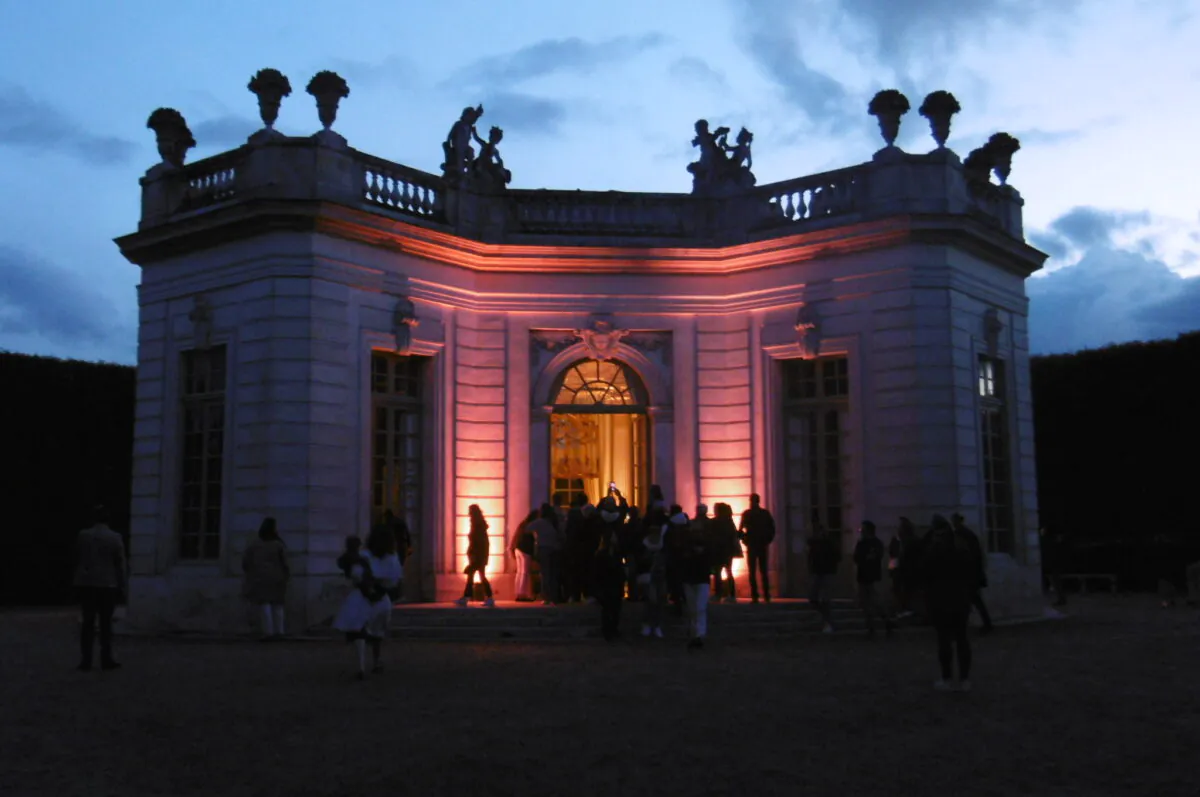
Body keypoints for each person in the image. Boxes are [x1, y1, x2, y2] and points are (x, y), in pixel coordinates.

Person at [923, 514, 984, 692]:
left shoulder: (934, 548)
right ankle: (964, 679)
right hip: (961, 598)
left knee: (944, 640)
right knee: (961, 638)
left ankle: (947, 678)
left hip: (941, 599)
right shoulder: (961, 545)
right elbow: (972, 570)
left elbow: (926, 574)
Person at [332, 534, 396, 680]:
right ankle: (371, 663)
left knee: (358, 632)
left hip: (359, 596)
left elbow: (356, 576)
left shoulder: (353, 559)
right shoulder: (362, 559)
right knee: (370, 632)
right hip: (367, 595)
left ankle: (362, 665)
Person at [74, 505, 127, 671]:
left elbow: (77, 558)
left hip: (87, 583)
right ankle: (106, 658)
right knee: (106, 624)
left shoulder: (83, 535)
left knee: (87, 623)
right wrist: (123, 585)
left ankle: (86, 660)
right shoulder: (115, 537)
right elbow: (120, 564)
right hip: (107, 584)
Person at [241, 516, 290, 640]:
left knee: (265, 604)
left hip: (260, 577)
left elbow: (246, 562)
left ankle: (268, 631)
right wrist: (286, 574)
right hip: (277, 577)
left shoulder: (254, 544)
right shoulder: (278, 544)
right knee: (278, 604)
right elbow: (285, 562)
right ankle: (280, 631)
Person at [952, 513, 993, 634]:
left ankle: (983, 624)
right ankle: (985, 624)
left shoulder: (964, 536)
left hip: (968, 574)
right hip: (969, 574)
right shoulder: (965, 535)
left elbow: (970, 556)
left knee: (968, 601)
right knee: (971, 601)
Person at [853, 520, 894, 637]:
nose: (861, 532)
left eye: (863, 530)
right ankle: (871, 627)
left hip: (872, 577)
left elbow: (874, 557)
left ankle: (886, 622)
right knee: (865, 604)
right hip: (863, 576)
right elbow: (856, 558)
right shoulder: (862, 543)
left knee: (875, 602)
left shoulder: (876, 544)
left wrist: (865, 559)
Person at [681, 507, 713, 650]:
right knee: (694, 608)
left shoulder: (705, 543)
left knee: (699, 608)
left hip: (699, 578)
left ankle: (698, 634)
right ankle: (695, 634)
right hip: (692, 578)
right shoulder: (688, 543)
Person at [739, 494, 776, 603]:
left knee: (753, 571)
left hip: (753, 545)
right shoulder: (764, 513)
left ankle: (756, 596)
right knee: (762, 571)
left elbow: (740, 530)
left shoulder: (747, 514)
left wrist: (745, 540)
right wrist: (767, 540)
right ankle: (765, 595)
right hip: (760, 544)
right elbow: (772, 529)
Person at [456, 504, 494, 607]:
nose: (469, 514)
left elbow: (476, 542)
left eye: (470, 511)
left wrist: (473, 554)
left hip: (477, 555)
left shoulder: (476, 525)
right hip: (479, 555)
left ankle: (467, 598)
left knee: (474, 576)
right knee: (478, 576)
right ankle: (487, 597)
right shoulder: (480, 525)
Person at [637, 511, 668, 638]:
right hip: (649, 575)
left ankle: (656, 625)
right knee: (650, 601)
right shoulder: (645, 546)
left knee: (659, 601)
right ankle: (648, 624)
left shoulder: (662, 544)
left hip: (660, 575)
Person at [593, 526, 626, 641]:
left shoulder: (616, 553)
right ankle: (608, 630)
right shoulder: (602, 555)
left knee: (615, 609)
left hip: (615, 584)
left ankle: (613, 629)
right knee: (608, 609)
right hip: (607, 585)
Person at [807, 523, 841, 633]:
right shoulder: (814, 544)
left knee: (825, 599)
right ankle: (827, 620)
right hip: (818, 572)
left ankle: (828, 622)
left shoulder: (830, 544)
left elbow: (837, 556)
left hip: (827, 572)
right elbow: (811, 558)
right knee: (813, 598)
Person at [528, 503, 561, 605]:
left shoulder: (539, 522)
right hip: (555, 549)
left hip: (543, 548)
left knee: (545, 573)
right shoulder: (554, 522)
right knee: (554, 574)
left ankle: (546, 597)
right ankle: (554, 596)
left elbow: (527, 528)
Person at [709, 503, 741, 603]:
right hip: (728, 552)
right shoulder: (729, 522)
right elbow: (734, 536)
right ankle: (731, 595)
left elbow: (711, 536)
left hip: (718, 551)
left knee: (717, 573)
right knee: (728, 572)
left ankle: (718, 594)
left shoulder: (715, 522)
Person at [509, 510, 538, 601]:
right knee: (525, 573)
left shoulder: (523, 524)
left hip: (518, 549)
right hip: (525, 550)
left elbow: (516, 537)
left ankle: (518, 593)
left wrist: (512, 549)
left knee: (520, 572)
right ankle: (523, 595)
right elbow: (532, 539)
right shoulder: (531, 526)